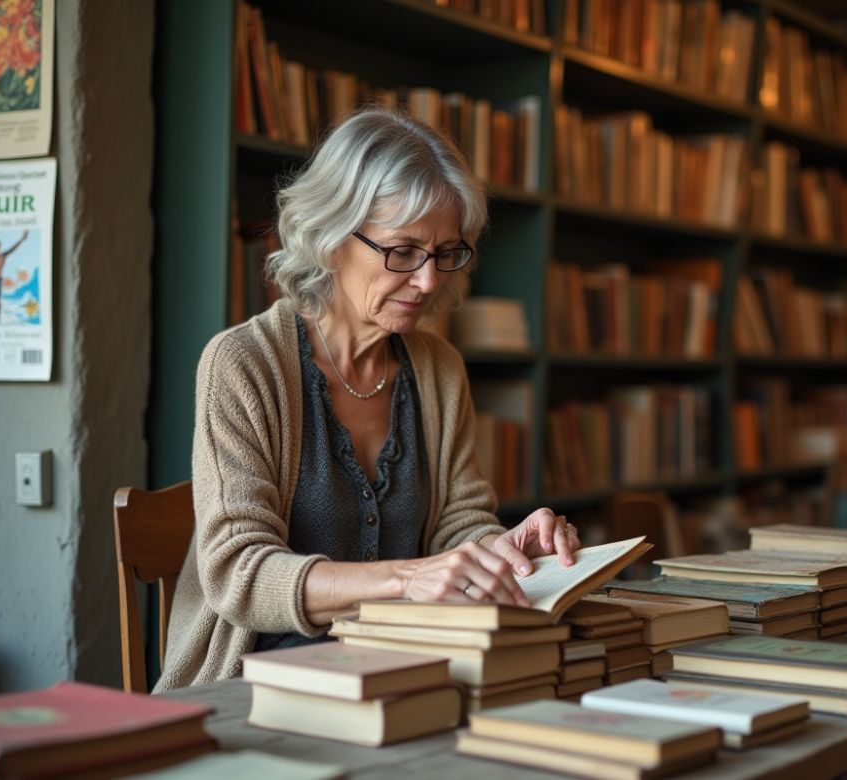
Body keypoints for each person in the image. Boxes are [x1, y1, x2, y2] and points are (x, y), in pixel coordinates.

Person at [156, 108, 580, 691]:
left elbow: (458, 523)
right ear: (330, 238)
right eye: (403, 251)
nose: (429, 281)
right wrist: (407, 580)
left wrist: (499, 548)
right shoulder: (242, 364)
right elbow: (238, 575)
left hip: (401, 671)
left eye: (445, 252)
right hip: (255, 684)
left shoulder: (438, 369)